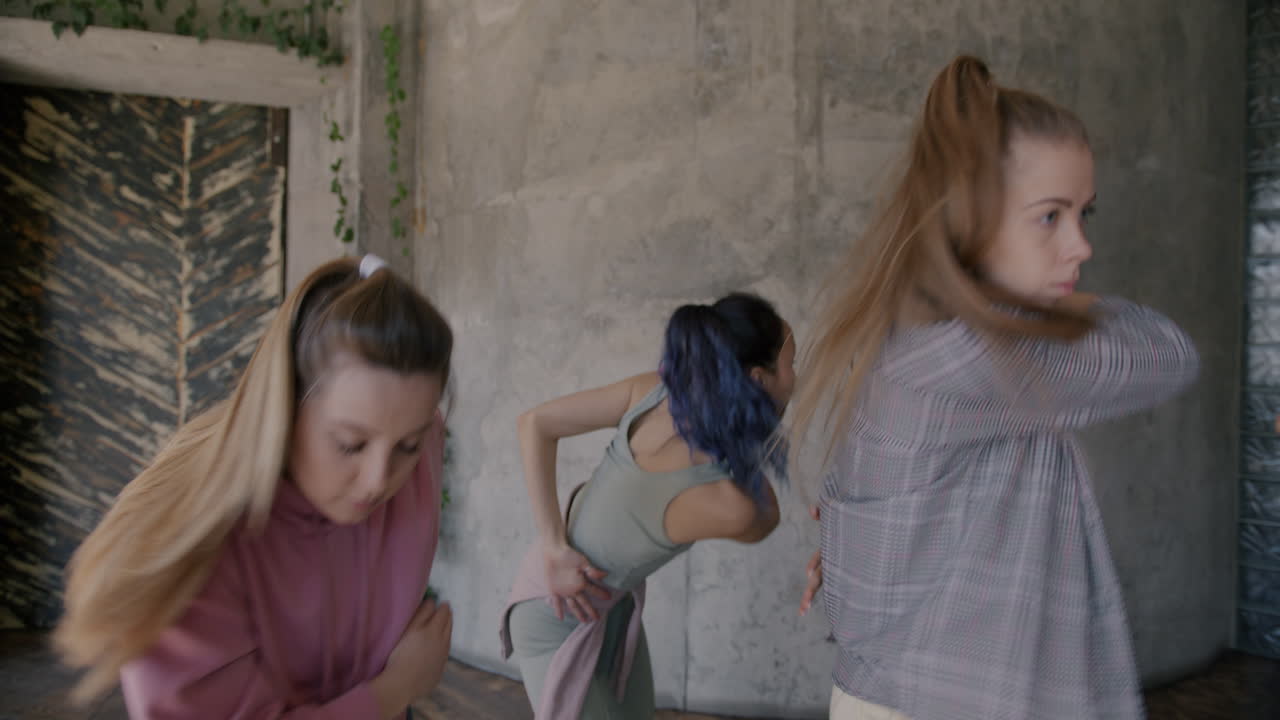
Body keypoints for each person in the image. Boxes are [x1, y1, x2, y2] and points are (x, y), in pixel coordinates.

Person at [789, 56, 1200, 720]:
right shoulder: (974, 360)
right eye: (1050, 217)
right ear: (969, 217)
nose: (1080, 246)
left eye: (1083, 213)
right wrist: (1064, 314)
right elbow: (1168, 352)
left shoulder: (913, 337)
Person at [55, 255, 455, 719]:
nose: (378, 480)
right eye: (350, 444)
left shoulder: (421, 438)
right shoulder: (193, 543)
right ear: (286, 405)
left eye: (407, 445)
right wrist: (396, 688)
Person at [500, 292, 795, 719]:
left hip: (610, 608)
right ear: (758, 379)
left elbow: (534, 423)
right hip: (554, 616)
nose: (796, 379)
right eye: (792, 366)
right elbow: (534, 424)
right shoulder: (730, 504)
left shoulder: (654, 391)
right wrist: (553, 545)